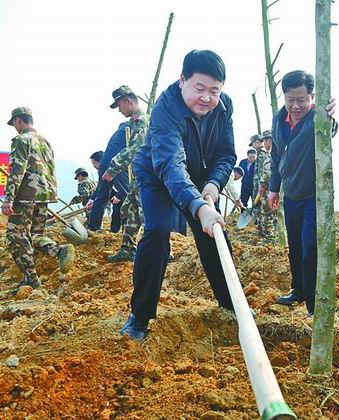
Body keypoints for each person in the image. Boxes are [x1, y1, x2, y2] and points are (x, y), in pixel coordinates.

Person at [120, 50, 237, 341]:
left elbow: (226, 153)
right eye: (199, 88)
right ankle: (140, 316)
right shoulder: (165, 108)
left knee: (213, 232)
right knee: (158, 231)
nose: (207, 98)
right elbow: (170, 163)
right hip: (159, 174)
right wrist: (198, 205)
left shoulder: (224, 107)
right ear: (182, 79)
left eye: (214, 91)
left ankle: (231, 305)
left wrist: (213, 185)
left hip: (200, 176)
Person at [269, 70, 337, 316]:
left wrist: (329, 116)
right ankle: (298, 290)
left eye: (301, 99)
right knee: (295, 247)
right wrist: (274, 188)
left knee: (311, 249)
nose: (295, 106)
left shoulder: (318, 118)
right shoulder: (279, 119)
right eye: (290, 99)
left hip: (314, 196)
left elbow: (331, 129)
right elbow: (276, 155)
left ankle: (313, 304)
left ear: (312, 97)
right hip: (292, 194)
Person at [2, 107, 75, 290]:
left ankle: (31, 280)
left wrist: (9, 198)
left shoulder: (21, 140)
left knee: (15, 237)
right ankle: (59, 250)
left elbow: (17, 170)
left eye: (15, 124)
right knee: (35, 235)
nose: (15, 128)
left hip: (26, 195)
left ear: (19, 121)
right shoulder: (45, 142)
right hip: (44, 195)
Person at [102, 85, 149, 263]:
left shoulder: (141, 120)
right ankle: (128, 249)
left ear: (127, 101)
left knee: (147, 215)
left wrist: (113, 167)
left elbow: (136, 148)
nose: (119, 111)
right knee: (129, 211)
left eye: (119, 106)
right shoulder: (135, 121)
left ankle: (163, 250)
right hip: (138, 176)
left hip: (147, 176)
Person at [86, 124, 131, 232]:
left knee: (101, 197)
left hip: (105, 163)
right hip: (116, 163)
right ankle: (129, 229)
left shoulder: (119, 134)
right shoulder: (135, 128)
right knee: (128, 194)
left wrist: (92, 199)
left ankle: (93, 228)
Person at [254, 130, 277, 243]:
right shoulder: (275, 151)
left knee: (267, 212)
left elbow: (267, 172)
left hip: (269, 188)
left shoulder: (271, 153)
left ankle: (270, 238)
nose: (264, 144)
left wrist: (262, 184)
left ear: (269, 140)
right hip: (272, 188)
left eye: (264, 141)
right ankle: (271, 235)